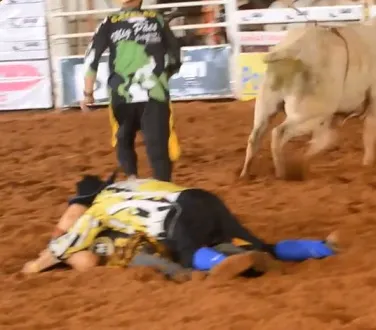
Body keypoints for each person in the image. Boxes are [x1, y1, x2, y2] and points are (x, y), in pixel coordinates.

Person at [22, 172, 337, 281]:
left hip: (174, 218)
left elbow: (61, 248)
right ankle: (322, 247)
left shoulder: (97, 210)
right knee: (263, 243)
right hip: (203, 199)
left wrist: (33, 267)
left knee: (191, 255)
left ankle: (223, 263)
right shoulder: (132, 183)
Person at [79, 0, 182, 182]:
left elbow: (91, 58)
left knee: (123, 141)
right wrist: (164, 76)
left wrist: (88, 93)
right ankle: (163, 189)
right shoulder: (157, 20)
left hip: (121, 94)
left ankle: (132, 179)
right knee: (158, 149)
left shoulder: (109, 22)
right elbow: (175, 55)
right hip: (155, 93)